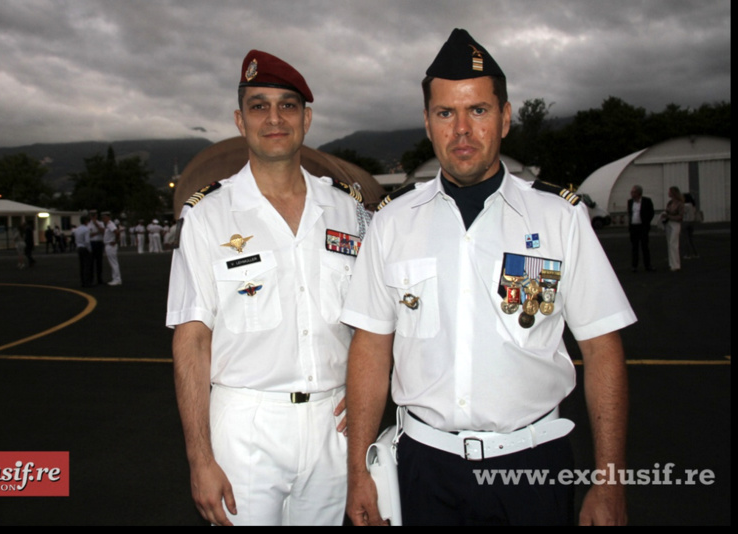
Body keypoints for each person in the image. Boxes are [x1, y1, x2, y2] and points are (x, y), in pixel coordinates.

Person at [342, 29, 637, 526]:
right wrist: (356, 473)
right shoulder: (393, 223)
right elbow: (370, 348)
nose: (461, 129)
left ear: (504, 117)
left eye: (477, 110)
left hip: (532, 466)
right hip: (423, 470)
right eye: (445, 113)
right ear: (427, 122)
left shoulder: (559, 219)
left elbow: (603, 349)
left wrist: (609, 483)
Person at [166, 49, 369, 526]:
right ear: (240, 120)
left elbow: (376, 322)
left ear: (307, 119)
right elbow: (192, 339)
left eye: (288, 105)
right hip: (246, 425)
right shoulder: (208, 215)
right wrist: (199, 458)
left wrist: (367, 400)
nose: (274, 118)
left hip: (334, 425)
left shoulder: (351, 213)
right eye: (259, 106)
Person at [627, 185, 656, 272]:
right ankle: (634, 265)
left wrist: (646, 222)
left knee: (645, 246)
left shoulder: (647, 201)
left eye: (633, 192)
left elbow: (651, 212)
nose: (631, 194)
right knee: (634, 247)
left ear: (638, 193)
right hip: (634, 227)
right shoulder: (630, 202)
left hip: (642, 227)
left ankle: (647, 265)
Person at [662, 186, 684, 271]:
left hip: (675, 224)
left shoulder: (680, 204)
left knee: (673, 243)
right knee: (670, 243)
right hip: (669, 223)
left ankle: (676, 264)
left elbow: (680, 217)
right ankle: (672, 263)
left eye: (669, 191)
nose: (668, 193)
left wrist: (668, 216)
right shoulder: (670, 203)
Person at [102, 211, 121, 286]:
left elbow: (117, 232)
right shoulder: (108, 225)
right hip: (109, 245)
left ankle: (117, 279)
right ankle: (115, 278)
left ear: (108, 217)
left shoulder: (110, 224)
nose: (103, 219)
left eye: (104, 217)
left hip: (111, 245)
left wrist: (115, 241)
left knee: (113, 263)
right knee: (113, 262)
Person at [73, 216, 93, 287]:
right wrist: (90, 249)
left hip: (79, 247)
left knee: (81, 265)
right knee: (87, 266)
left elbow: (76, 240)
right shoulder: (86, 229)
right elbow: (87, 241)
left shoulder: (77, 229)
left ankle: (83, 281)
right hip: (85, 248)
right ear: (85, 221)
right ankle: (87, 282)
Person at [88, 210, 106, 284]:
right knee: (91, 262)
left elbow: (103, 231)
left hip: (99, 243)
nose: (93, 216)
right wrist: (97, 232)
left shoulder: (100, 223)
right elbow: (89, 235)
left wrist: (96, 225)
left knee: (99, 262)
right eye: (92, 215)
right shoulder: (88, 224)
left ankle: (99, 279)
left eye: (94, 215)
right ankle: (91, 279)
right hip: (92, 243)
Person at [681, 192, 700, 259]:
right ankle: (695, 253)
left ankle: (687, 254)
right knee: (691, 238)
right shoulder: (692, 205)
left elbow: (682, 212)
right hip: (692, 222)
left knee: (685, 239)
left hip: (685, 222)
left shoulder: (685, 205)